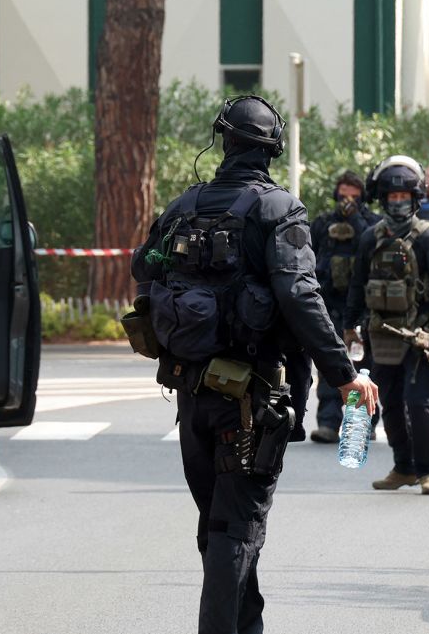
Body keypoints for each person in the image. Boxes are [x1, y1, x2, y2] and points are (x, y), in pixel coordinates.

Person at [131, 95, 378, 634]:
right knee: (234, 535)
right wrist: (346, 374)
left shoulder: (182, 206)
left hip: (192, 400)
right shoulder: (278, 209)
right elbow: (301, 296)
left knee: (220, 531)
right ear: (272, 149)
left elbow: (141, 266)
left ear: (222, 141)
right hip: (250, 404)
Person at [346, 157, 429, 495]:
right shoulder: (370, 238)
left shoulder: (428, 238)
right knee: (390, 401)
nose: (397, 205)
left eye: (403, 199)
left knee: (418, 401)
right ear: (383, 200)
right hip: (383, 336)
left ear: (415, 199)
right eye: (391, 199)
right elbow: (357, 284)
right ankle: (404, 467)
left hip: (422, 337)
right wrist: (349, 326)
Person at [305, 170, 379, 444]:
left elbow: (372, 246)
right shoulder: (324, 223)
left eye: (353, 195)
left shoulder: (371, 224)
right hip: (330, 304)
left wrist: (356, 219)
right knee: (328, 364)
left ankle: (365, 422)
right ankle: (328, 422)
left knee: (364, 366)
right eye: (343, 194)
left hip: (361, 306)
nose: (347, 199)